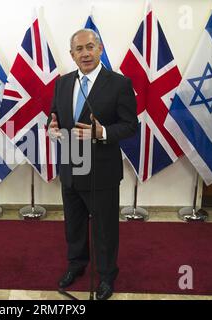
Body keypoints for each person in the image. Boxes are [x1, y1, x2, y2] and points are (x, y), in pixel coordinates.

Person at [48, 29, 137, 300]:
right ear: (72, 55)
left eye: (90, 47)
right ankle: (76, 265)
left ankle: (108, 275)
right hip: (70, 168)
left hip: (102, 171)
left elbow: (130, 125)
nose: (85, 53)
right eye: (79, 49)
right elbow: (56, 116)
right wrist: (52, 126)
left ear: (99, 49)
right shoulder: (62, 83)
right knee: (73, 224)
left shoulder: (119, 83)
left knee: (104, 228)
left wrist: (102, 133)